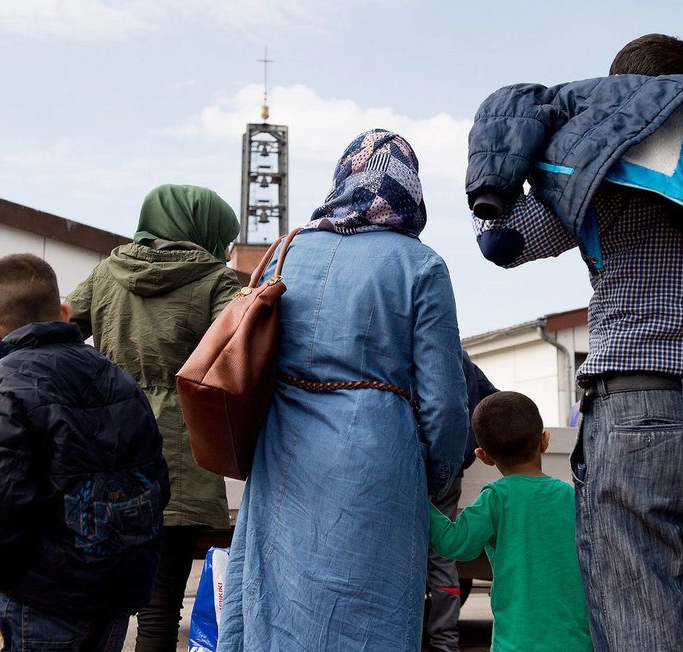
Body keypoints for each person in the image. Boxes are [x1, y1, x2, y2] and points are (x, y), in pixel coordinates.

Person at [467, 34, 683, 650]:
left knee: (640, 630)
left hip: (636, 415)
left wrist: (496, 169)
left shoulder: (602, 170)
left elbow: (503, 244)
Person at [216, 129, 468, 651]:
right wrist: (435, 480)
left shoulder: (288, 250)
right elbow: (445, 403)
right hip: (377, 464)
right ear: (408, 189)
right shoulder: (421, 265)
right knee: (367, 617)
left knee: (275, 611)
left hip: (282, 456)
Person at [0, 253, 170, 652]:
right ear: (65, 312)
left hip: (43, 597)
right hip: (118, 589)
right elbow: (155, 481)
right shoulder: (116, 376)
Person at [68, 184, 242, 652]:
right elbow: (240, 356)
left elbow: (57, 327)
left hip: (106, 450)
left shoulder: (106, 273)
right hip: (180, 458)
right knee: (160, 602)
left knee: (101, 596)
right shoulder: (217, 282)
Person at [428, 391, 592, 652]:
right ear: (544, 441)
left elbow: (455, 543)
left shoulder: (497, 498)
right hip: (576, 642)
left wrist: (422, 503)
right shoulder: (571, 496)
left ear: (484, 456)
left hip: (516, 643)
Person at [425, 351, 498, 652]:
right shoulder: (464, 358)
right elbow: (495, 401)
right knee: (442, 562)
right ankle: (445, 642)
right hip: (453, 467)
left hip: (419, 463)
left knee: (403, 554)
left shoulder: (422, 353)